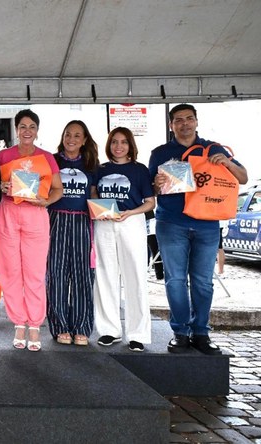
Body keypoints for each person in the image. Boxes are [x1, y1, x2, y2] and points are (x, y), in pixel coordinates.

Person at [149, 104, 247, 355]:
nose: (184, 124)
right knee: (175, 281)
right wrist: (157, 184)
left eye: (189, 119)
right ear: (171, 125)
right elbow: (151, 191)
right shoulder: (160, 153)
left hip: (207, 224)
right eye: (178, 120)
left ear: (196, 121)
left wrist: (226, 162)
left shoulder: (213, 147)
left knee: (203, 282)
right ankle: (180, 333)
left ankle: (201, 333)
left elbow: (243, 177)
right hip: (171, 223)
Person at [0, 109, 62, 352]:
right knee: (10, 272)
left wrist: (47, 202)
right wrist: (0, 186)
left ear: (37, 130)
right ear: (16, 129)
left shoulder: (47, 157)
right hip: (7, 213)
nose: (27, 131)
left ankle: (34, 324)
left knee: (34, 273)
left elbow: (57, 190)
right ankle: (18, 323)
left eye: (31, 126)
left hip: (35, 215)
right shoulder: (3, 155)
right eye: (22, 126)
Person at [93, 127, 155, 352]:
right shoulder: (100, 169)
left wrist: (131, 213)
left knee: (135, 277)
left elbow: (150, 202)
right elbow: (93, 193)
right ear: (109, 145)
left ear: (130, 145)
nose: (118, 146)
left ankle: (137, 334)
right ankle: (109, 330)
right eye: (114, 142)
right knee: (105, 276)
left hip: (131, 222)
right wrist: (101, 208)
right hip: (105, 223)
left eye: (123, 142)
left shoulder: (140, 170)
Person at [46, 121, 99, 347]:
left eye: (77, 135)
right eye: (68, 134)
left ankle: (82, 326)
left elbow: (95, 195)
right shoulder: (52, 161)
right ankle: (59, 326)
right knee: (56, 274)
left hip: (82, 220)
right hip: (55, 218)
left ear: (84, 139)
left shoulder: (92, 165)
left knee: (82, 275)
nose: (72, 139)